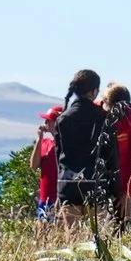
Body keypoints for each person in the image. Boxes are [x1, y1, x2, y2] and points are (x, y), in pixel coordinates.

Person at [48, 70, 117, 220]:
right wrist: (116, 189)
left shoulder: (63, 118)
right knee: (99, 239)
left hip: (68, 185)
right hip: (96, 185)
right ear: (94, 92)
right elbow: (111, 155)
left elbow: (58, 155)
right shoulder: (103, 118)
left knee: (71, 240)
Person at [103, 83, 131, 215]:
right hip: (105, 186)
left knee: (122, 230)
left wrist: (129, 192)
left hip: (125, 189)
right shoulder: (104, 117)